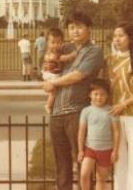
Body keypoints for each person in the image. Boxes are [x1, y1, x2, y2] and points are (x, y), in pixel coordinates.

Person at [42, 12, 104, 190]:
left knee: (83, 160)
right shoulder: (65, 49)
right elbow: (48, 61)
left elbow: (78, 75)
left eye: (79, 27)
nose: (75, 31)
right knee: (61, 164)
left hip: (78, 112)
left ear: (89, 29)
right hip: (57, 114)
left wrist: (52, 82)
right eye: (71, 28)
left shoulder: (93, 51)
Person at [105, 22, 133, 190]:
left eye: (121, 35)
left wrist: (124, 103)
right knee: (119, 158)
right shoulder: (109, 60)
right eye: (115, 36)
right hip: (115, 115)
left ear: (130, 38)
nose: (117, 39)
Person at [78, 79, 120, 190]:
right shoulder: (86, 111)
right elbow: (81, 132)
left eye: (102, 94)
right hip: (90, 149)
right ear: (90, 95)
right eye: (95, 94)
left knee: (101, 179)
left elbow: (116, 132)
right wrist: (81, 150)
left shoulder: (111, 111)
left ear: (107, 96)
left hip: (106, 149)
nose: (99, 97)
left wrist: (115, 151)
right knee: (84, 174)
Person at [42, 28, 77, 114]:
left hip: (48, 73)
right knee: (53, 93)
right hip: (52, 75)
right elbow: (65, 58)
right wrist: (75, 53)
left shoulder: (50, 51)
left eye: (59, 42)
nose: (56, 45)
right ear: (47, 43)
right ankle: (48, 105)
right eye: (53, 42)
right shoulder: (54, 54)